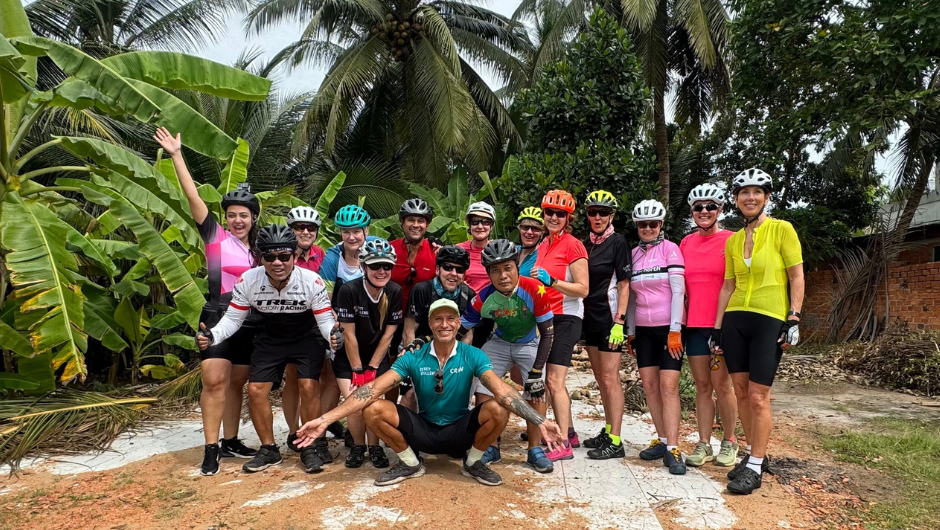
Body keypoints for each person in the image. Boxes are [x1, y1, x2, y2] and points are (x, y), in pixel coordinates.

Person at [294, 299, 566, 487]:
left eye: (450, 319)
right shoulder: (414, 356)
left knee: (497, 406)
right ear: (430, 324)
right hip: (423, 431)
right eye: (438, 319)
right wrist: (326, 419)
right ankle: (410, 463)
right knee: (373, 407)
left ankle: (472, 463)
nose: (444, 324)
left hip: (460, 432)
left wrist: (540, 421)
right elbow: (372, 388)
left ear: (459, 323)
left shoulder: (472, 354)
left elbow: (502, 389)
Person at [154, 127, 259, 475]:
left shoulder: (262, 252)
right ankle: (211, 447)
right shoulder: (216, 238)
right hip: (218, 313)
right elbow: (192, 198)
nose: (238, 219)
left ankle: (231, 440)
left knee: (237, 382)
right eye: (233, 214)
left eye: (244, 214)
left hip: (250, 321)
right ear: (225, 217)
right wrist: (176, 155)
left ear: (254, 218)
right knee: (214, 380)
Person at [195, 225, 340, 475]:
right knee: (256, 389)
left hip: (306, 335)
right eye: (269, 256)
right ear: (259, 257)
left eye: (284, 256)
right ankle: (269, 448)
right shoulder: (249, 280)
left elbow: (325, 321)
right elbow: (232, 319)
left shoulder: (311, 280)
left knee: (308, 386)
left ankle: (310, 447)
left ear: (294, 256)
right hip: (270, 335)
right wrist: (213, 334)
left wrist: (333, 335)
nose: (277, 262)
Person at [712, 169, 804, 495]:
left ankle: (755, 466)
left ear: (766, 197)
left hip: (769, 317)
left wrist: (793, 317)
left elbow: (796, 276)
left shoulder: (782, 230)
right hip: (736, 317)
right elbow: (728, 286)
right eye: (743, 192)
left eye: (757, 192)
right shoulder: (734, 240)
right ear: (736, 199)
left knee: (757, 396)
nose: (750, 198)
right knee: (739, 391)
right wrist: (718, 328)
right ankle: (754, 455)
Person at [461, 239, 557, 473]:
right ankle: (490, 444)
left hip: (530, 341)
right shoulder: (483, 297)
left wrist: (535, 373)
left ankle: (534, 449)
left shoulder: (536, 289)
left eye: (508, 268)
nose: (503, 275)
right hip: (500, 342)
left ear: (517, 267)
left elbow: (547, 335)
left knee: (537, 388)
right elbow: (460, 329)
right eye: (495, 270)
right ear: (488, 274)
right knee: (483, 385)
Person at [679, 184, 740, 469]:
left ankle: (730, 440)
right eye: (698, 207)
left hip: (722, 325)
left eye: (710, 206)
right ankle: (704, 442)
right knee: (702, 386)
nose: (704, 212)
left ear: (720, 209)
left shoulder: (732, 240)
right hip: (694, 325)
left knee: (722, 384)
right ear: (692, 212)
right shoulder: (686, 243)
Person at [626, 199, 687, 475]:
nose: (648, 228)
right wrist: (630, 332)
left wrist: (675, 329)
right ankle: (662, 440)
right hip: (643, 329)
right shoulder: (633, 254)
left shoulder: (670, 249)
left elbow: (678, 292)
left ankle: (674, 447)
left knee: (668, 386)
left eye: (653, 224)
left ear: (661, 224)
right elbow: (629, 298)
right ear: (637, 226)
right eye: (643, 224)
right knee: (650, 385)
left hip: (668, 328)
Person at [332, 239, 403, 470]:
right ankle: (357, 446)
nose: (381, 271)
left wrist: (372, 369)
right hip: (348, 359)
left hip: (376, 357)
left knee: (373, 402)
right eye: (375, 266)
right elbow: (348, 334)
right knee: (354, 401)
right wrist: (358, 371)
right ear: (364, 267)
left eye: (386, 266)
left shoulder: (394, 291)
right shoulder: (348, 290)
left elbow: (389, 335)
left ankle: (375, 447)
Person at [532, 190, 589, 461]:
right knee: (545, 379)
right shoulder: (544, 244)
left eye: (560, 214)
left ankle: (564, 444)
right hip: (545, 317)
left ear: (568, 218)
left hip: (566, 318)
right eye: (549, 212)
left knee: (555, 381)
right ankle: (569, 431)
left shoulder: (573, 245)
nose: (554, 217)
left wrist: (552, 282)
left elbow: (583, 289)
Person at [579, 191, 633, 460]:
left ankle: (616, 440)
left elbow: (624, 284)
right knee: (601, 378)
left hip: (610, 319)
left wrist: (620, 322)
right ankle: (608, 428)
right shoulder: (585, 245)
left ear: (611, 215)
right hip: (590, 318)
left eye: (602, 212)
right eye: (592, 212)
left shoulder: (618, 242)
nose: (597, 217)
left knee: (611, 379)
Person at [283, 206, 340, 453]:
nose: (305, 232)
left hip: (318, 322)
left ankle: (319, 423)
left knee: (326, 375)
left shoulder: (321, 255)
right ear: (291, 230)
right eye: (299, 227)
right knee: (294, 377)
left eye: (310, 228)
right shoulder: (282, 254)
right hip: (290, 321)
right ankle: (292, 429)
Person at [388, 199, 439, 404]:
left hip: (421, 321)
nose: (416, 224)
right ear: (402, 222)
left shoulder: (435, 252)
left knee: (423, 369)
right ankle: (390, 411)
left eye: (421, 220)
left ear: (427, 225)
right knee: (391, 366)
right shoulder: (390, 249)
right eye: (411, 220)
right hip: (392, 317)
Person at [458, 201, 498, 348]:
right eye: (475, 222)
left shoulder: (498, 250)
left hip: (491, 311)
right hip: (464, 310)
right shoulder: (459, 249)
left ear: (491, 225)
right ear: (469, 225)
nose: (480, 226)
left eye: (485, 222)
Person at [319, 204, 378, 291]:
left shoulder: (377, 246)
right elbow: (325, 299)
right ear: (340, 232)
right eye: (346, 232)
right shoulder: (332, 258)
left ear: (366, 231)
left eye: (356, 231)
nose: (351, 237)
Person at [516, 207, 543, 278]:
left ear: (542, 233)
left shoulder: (543, 254)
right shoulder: (513, 250)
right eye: (525, 227)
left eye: (535, 228)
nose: (529, 232)